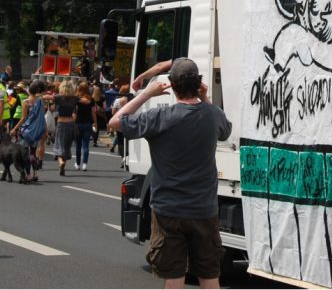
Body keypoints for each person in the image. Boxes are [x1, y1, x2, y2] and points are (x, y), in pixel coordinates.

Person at [109, 58, 231, 289]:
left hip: (168, 210)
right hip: (204, 209)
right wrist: (205, 98)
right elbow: (225, 131)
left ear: (172, 85)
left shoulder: (160, 117)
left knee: (174, 277)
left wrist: (146, 94)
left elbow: (116, 121)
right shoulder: (212, 115)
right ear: (199, 84)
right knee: (209, 275)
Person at [10, 80, 46, 182]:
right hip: (36, 132)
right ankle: (35, 173)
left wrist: (14, 129)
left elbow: (23, 118)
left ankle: (28, 175)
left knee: (24, 154)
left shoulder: (26, 102)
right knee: (33, 153)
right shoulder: (40, 101)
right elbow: (42, 117)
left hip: (26, 131)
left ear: (29, 90)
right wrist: (45, 130)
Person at [49, 80, 78, 176]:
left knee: (59, 145)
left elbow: (48, 100)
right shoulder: (74, 98)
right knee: (66, 146)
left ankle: (61, 162)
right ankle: (63, 165)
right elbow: (86, 101)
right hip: (71, 123)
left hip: (61, 123)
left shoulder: (58, 98)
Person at [74, 81, 97, 171]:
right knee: (86, 145)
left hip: (78, 123)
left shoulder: (76, 99)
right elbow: (93, 112)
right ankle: (84, 164)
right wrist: (95, 122)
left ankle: (77, 164)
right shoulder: (91, 99)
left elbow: (75, 112)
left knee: (78, 145)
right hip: (88, 123)